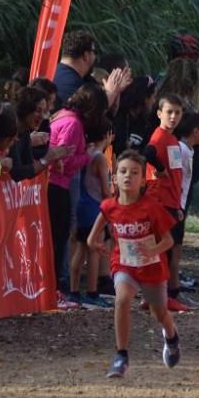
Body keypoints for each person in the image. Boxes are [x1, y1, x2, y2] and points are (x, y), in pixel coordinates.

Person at [87, 150, 181, 379]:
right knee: (122, 299)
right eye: (123, 171)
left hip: (151, 267)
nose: (128, 176)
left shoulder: (151, 208)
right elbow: (97, 228)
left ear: (142, 180)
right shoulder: (110, 206)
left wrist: (153, 250)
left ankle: (171, 336)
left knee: (159, 312)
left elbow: (168, 240)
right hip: (124, 264)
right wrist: (93, 241)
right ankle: (121, 355)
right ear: (115, 177)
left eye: (134, 172)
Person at [47, 84, 108, 305]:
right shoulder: (73, 124)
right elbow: (62, 159)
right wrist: (86, 155)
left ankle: (61, 288)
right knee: (60, 239)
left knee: (67, 240)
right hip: (57, 186)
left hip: (55, 185)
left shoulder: (61, 116)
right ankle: (57, 289)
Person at [143, 94, 189, 312]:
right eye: (169, 112)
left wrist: (178, 205)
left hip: (171, 202)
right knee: (165, 251)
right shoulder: (160, 137)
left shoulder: (171, 139)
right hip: (161, 203)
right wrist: (159, 169)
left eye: (177, 113)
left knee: (163, 252)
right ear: (159, 113)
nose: (173, 117)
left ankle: (152, 296)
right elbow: (148, 152)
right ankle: (163, 297)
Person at [70, 121, 113, 309]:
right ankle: (92, 292)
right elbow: (105, 188)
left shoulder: (85, 152)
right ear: (108, 135)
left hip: (81, 203)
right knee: (95, 248)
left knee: (81, 247)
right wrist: (112, 206)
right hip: (95, 207)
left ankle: (73, 290)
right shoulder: (100, 158)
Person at [172, 111, 199, 310]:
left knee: (176, 249)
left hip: (180, 206)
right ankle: (170, 293)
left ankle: (173, 291)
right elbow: (175, 180)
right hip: (175, 207)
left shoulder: (188, 150)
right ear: (195, 131)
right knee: (173, 250)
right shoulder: (181, 151)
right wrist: (176, 206)